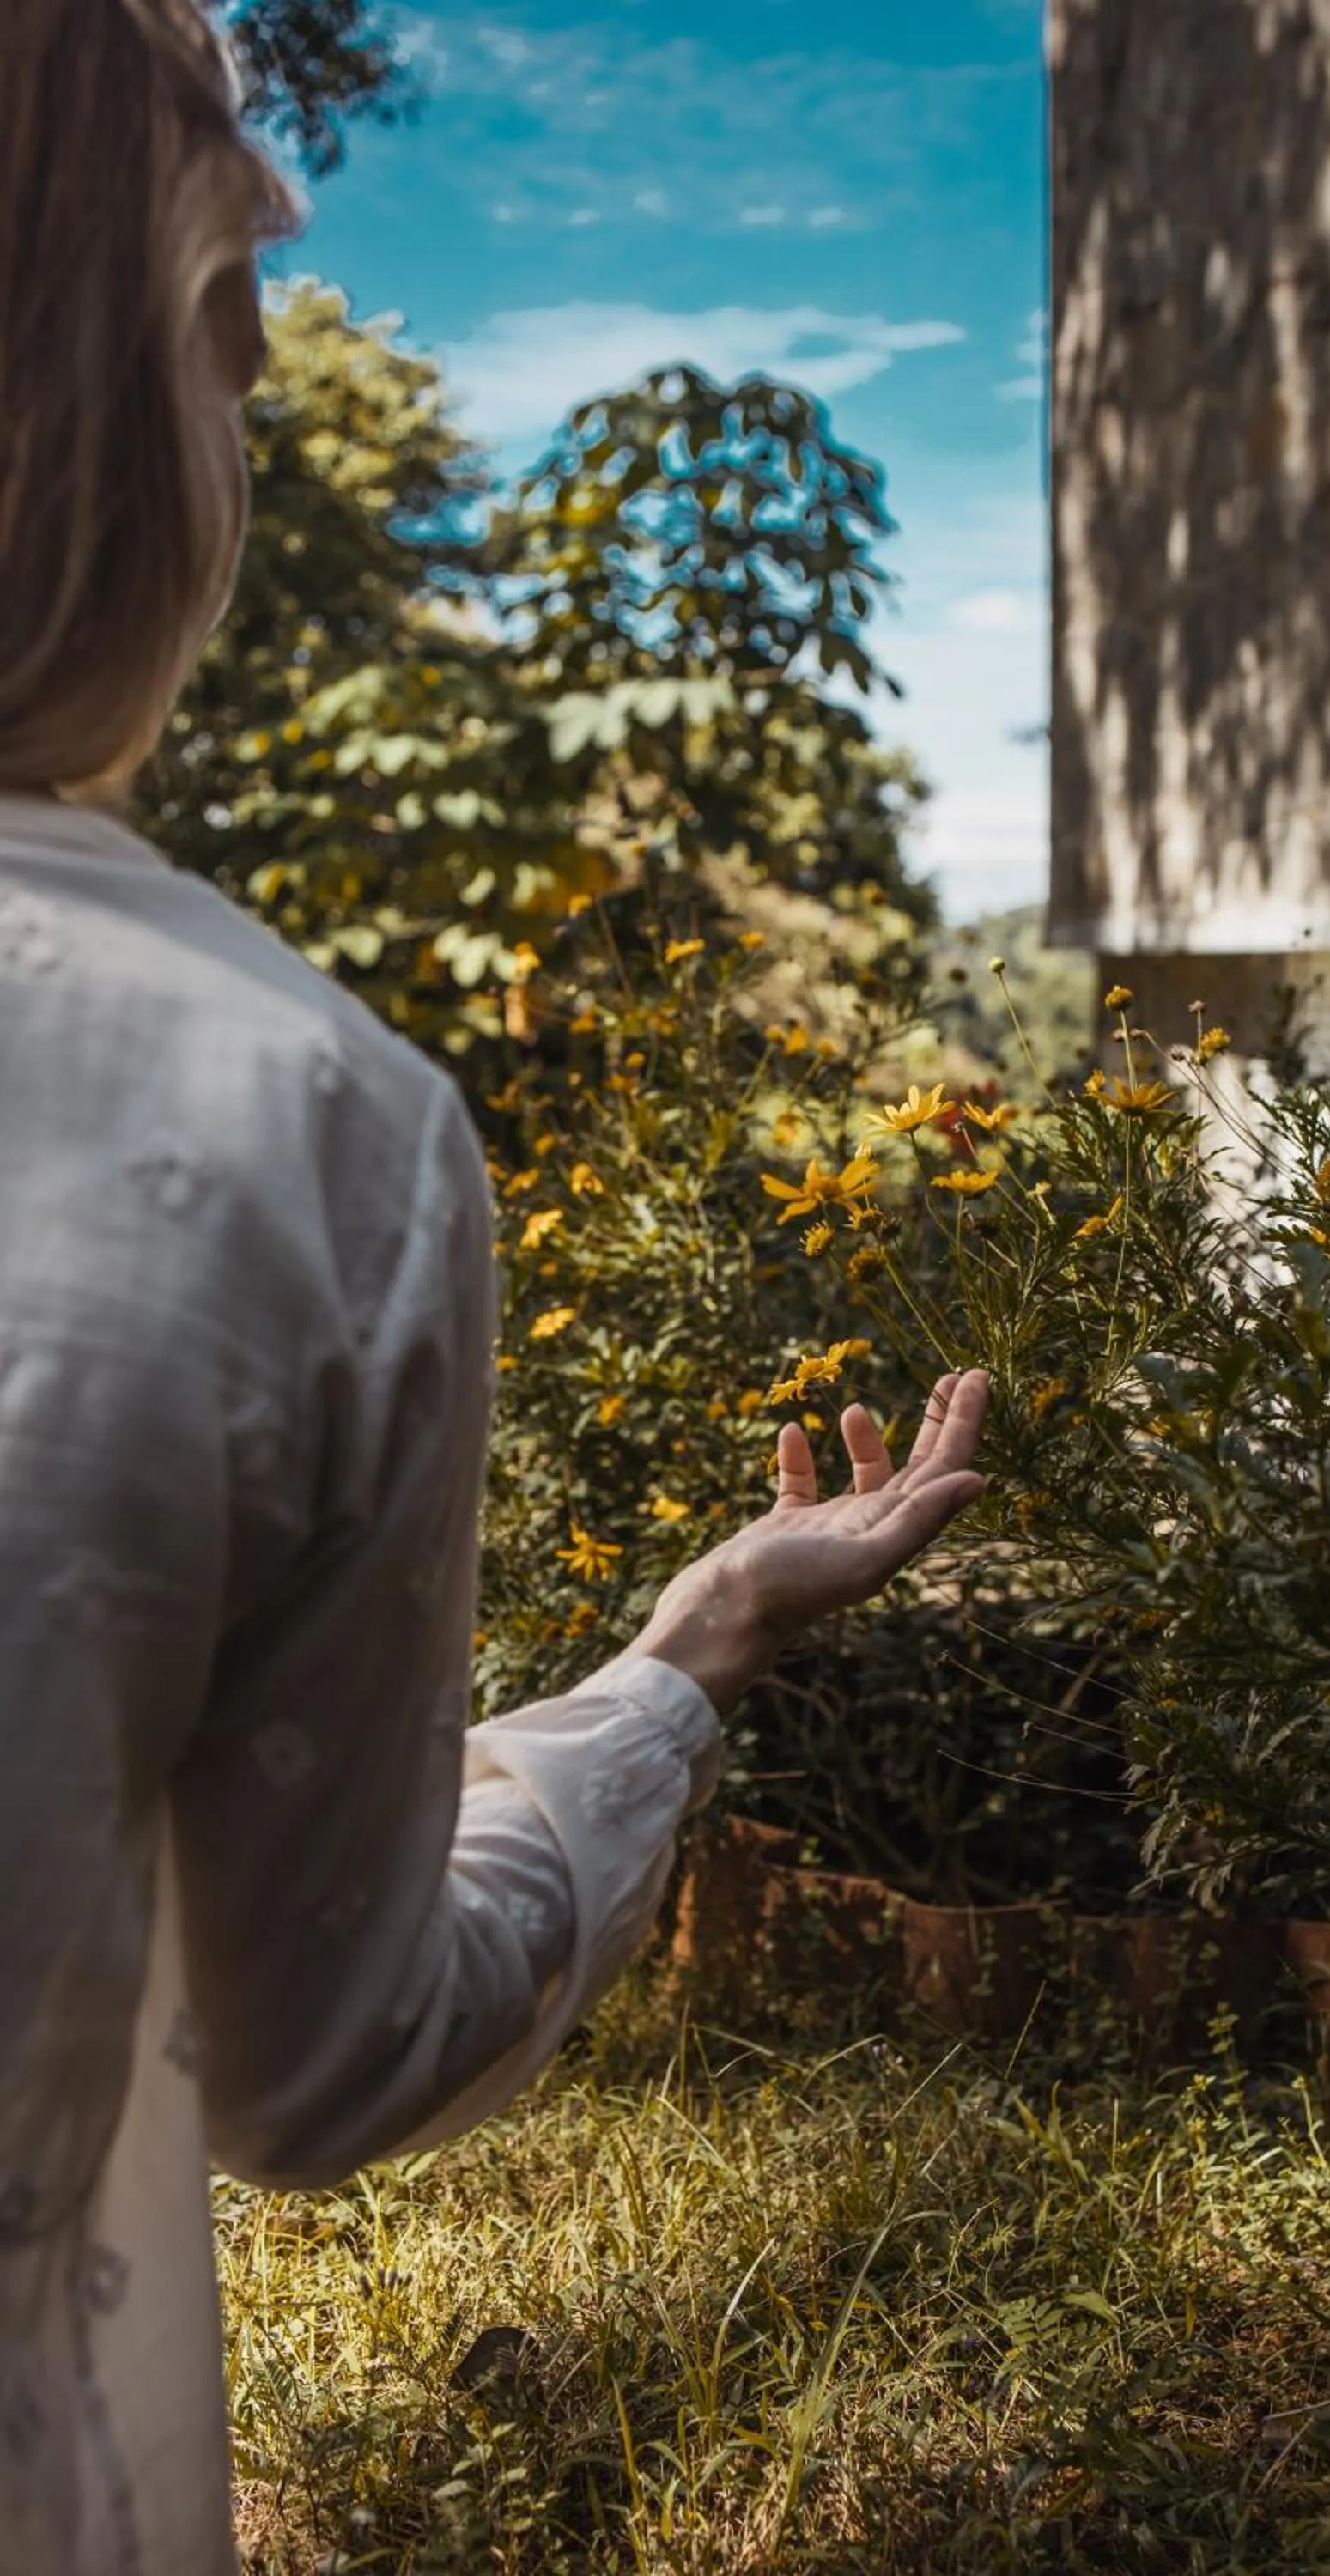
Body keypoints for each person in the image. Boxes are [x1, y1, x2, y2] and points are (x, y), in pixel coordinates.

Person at [0, 7, 990, 2569]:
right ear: (131, 407)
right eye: (226, 348)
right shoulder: (284, 1118)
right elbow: (315, 2069)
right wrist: (690, 1661)